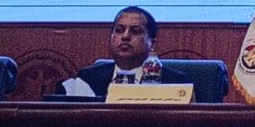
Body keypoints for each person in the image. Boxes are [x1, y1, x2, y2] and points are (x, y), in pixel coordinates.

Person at [60, 6, 188, 96]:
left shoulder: (175, 81)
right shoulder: (88, 78)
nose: (125, 36)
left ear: (152, 44)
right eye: (119, 30)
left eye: (135, 31)